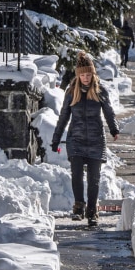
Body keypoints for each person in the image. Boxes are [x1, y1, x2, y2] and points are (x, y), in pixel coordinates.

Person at [51, 52, 119, 226]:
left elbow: (109, 112)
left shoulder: (99, 90)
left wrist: (114, 129)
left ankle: (92, 211)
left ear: (93, 74)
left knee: (94, 178)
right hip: (76, 140)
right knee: (76, 175)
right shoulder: (71, 92)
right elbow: (63, 116)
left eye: (88, 74)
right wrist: (56, 138)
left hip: (96, 139)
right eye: (82, 75)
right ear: (78, 75)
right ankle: (79, 206)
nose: (85, 78)